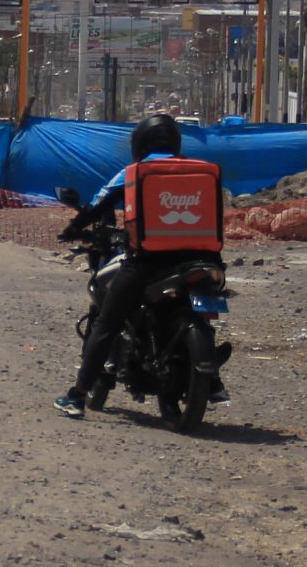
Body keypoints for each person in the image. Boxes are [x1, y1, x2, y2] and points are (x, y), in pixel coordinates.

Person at [56, 113, 228, 418]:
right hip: (204, 260)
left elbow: (99, 204)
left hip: (148, 261)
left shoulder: (134, 172)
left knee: (108, 321)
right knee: (203, 311)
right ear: (174, 142)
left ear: (140, 144)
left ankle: (77, 395)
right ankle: (213, 382)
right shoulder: (200, 170)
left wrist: (73, 228)